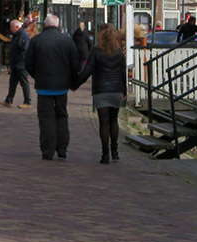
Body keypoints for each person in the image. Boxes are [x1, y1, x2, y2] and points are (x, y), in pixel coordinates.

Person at [24, 13, 80, 160]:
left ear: (45, 25)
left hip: (44, 86)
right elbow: (75, 64)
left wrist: (37, 75)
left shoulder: (36, 40)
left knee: (45, 118)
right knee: (62, 116)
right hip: (62, 86)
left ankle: (47, 151)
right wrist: (73, 81)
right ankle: (62, 148)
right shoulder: (67, 41)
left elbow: (28, 63)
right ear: (58, 25)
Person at [74, 24, 128, 163]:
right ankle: (115, 151)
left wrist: (75, 84)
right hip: (116, 90)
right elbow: (123, 73)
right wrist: (124, 91)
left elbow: (87, 71)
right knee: (114, 121)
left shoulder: (96, 51)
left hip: (101, 90)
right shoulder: (119, 52)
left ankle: (105, 155)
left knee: (103, 123)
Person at [0, 19, 32, 108]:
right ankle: (9, 100)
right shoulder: (16, 35)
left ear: (17, 27)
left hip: (21, 64)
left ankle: (28, 102)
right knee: (12, 83)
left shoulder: (23, 36)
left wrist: (19, 61)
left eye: (12, 27)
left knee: (24, 82)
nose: (10, 29)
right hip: (15, 65)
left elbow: (25, 50)